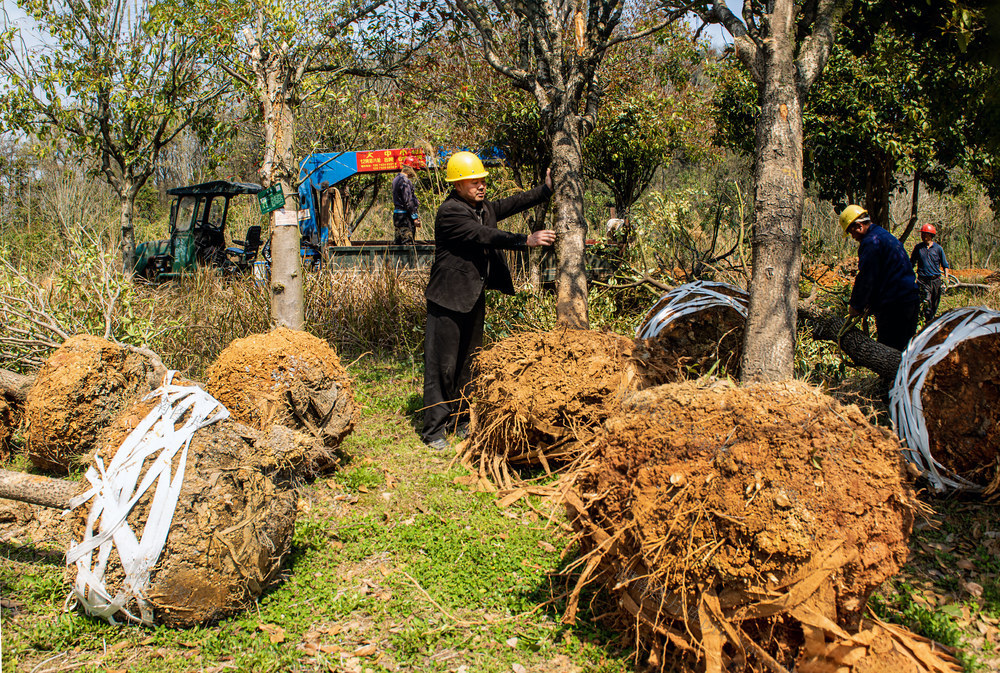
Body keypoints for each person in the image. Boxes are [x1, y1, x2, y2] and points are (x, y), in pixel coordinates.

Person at [421, 151, 556, 449]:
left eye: (482, 181)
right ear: (457, 185)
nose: (481, 186)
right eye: (473, 182)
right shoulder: (450, 212)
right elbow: (483, 235)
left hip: (472, 298)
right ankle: (433, 429)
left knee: (469, 362)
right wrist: (525, 240)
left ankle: (461, 419)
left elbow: (514, 202)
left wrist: (545, 190)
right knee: (442, 366)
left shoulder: (482, 207)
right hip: (448, 299)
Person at [840, 205, 920, 352]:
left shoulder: (872, 242)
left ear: (858, 226)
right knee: (906, 350)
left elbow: (866, 277)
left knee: (889, 352)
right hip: (909, 301)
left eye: (851, 232)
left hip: (894, 307)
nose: (853, 236)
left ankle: (892, 376)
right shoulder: (883, 235)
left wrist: (856, 306)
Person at [910, 223, 950, 324]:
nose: (923, 236)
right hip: (923, 281)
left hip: (936, 281)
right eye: (922, 234)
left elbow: (945, 265)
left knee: (934, 306)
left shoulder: (938, 249)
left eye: (925, 234)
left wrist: (946, 278)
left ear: (930, 235)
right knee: (926, 304)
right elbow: (911, 263)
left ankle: (931, 322)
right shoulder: (918, 248)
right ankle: (928, 323)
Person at [392, 155, 421, 245]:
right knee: (407, 244)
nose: (415, 173)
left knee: (399, 243)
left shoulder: (396, 179)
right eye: (415, 170)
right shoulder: (405, 181)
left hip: (397, 216)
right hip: (405, 218)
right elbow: (408, 201)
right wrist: (415, 217)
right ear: (410, 169)